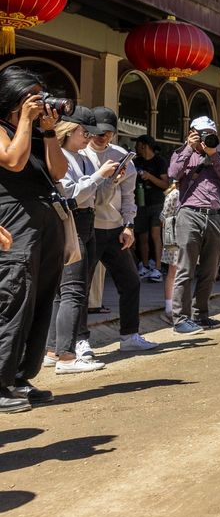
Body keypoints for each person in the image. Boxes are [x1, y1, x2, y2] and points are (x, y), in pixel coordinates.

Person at [0, 65, 67, 412]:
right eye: (33, 97)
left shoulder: (37, 132)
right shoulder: (2, 129)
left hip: (45, 218)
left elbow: (58, 172)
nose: (40, 103)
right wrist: (25, 122)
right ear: (14, 97)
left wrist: (50, 131)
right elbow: (12, 161)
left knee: (39, 300)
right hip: (14, 219)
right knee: (13, 298)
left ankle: (20, 377)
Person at [44, 107, 114, 374]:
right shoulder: (59, 155)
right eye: (85, 132)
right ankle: (66, 355)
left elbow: (96, 198)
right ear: (69, 130)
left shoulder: (83, 159)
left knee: (66, 293)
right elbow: (71, 194)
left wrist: (110, 181)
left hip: (87, 223)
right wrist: (98, 177)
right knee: (72, 291)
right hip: (69, 222)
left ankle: (53, 350)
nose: (88, 138)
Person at [82, 106, 157, 352]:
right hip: (88, 228)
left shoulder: (123, 155)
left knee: (131, 282)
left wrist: (129, 225)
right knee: (79, 287)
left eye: (106, 133)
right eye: (97, 132)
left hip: (115, 229)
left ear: (113, 133)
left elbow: (129, 197)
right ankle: (78, 341)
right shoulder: (81, 154)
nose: (100, 137)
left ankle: (129, 336)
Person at [168, 115, 220, 333]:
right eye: (201, 133)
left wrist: (213, 153)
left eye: (209, 134)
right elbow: (173, 174)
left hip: (214, 215)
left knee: (209, 269)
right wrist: (189, 148)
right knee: (185, 269)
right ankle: (180, 319)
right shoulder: (182, 153)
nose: (205, 138)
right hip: (189, 213)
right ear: (192, 133)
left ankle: (201, 315)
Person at [133, 134, 168, 282]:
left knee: (155, 234)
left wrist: (149, 176)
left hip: (156, 202)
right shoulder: (135, 162)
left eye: (138, 145)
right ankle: (145, 265)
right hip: (140, 202)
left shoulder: (159, 161)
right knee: (142, 235)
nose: (136, 148)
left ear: (144, 146)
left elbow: (165, 184)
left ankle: (158, 268)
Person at [159, 181, 181, 323]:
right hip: (174, 237)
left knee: (179, 272)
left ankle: (177, 306)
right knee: (173, 272)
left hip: (183, 237)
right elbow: (164, 216)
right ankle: (169, 308)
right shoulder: (175, 194)